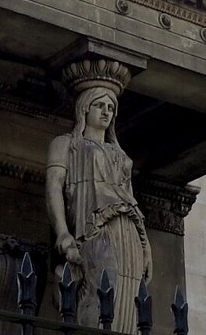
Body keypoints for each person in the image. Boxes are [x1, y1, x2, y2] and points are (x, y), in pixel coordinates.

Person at [47, 61, 150, 327]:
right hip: (93, 230)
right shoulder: (65, 144)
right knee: (102, 288)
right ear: (85, 108)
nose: (106, 112)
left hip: (128, 230)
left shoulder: (120, 155)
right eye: (100, 105)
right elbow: (54, 186)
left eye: (111, 108)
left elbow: (130, 199)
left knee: (130, 296)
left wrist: (145, 244)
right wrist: (61, 231)